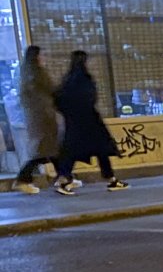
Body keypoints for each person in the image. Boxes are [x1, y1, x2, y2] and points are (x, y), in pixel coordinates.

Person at [53, 51, 126, 194]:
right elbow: (90, 99)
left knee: (74, 151)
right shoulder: (85, 79)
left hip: (74, 122)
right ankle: (110, 179)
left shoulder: (67, 80)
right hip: (89, 121)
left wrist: (69, 113)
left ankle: (66, 179)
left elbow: (58, 100)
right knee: (101, 150)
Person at [12, 46, 62, 194]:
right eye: (42, 55)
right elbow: (45, 95)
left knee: (51, 151)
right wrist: (50, 113)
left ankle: (64, 176)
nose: (44, 58)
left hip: (40, 117)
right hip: (43, 118)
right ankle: (23, 179)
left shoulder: (28, 74)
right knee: (42, 152)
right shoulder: (36, 75)